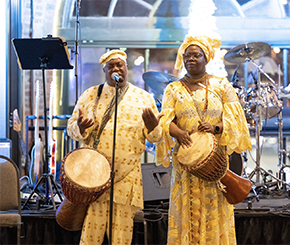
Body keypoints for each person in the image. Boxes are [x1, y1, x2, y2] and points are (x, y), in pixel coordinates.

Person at [156, 35, 252, 245]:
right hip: (185, 165)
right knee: (186, 210)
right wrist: (178, 133)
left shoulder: (221, 85)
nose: (191, 59)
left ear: (206, 58)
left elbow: (236, 120)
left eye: (196, 55)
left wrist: (216, 128)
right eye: (187, 55)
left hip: (215, 161)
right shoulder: (173, 88)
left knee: (214, 209)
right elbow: (165, 120)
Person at [67, 49, 163, 245]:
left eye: (120, 64)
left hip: (126, 180)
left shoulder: (143, 98)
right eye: (111, 66)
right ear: (104, 70)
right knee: (90, 238)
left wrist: (154, 127)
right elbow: (71, 129)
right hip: (94, 180)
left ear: (127, 68)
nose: (116, 68)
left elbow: (156, 137)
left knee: (121, 239)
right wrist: (80, 126)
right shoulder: (90, 95)